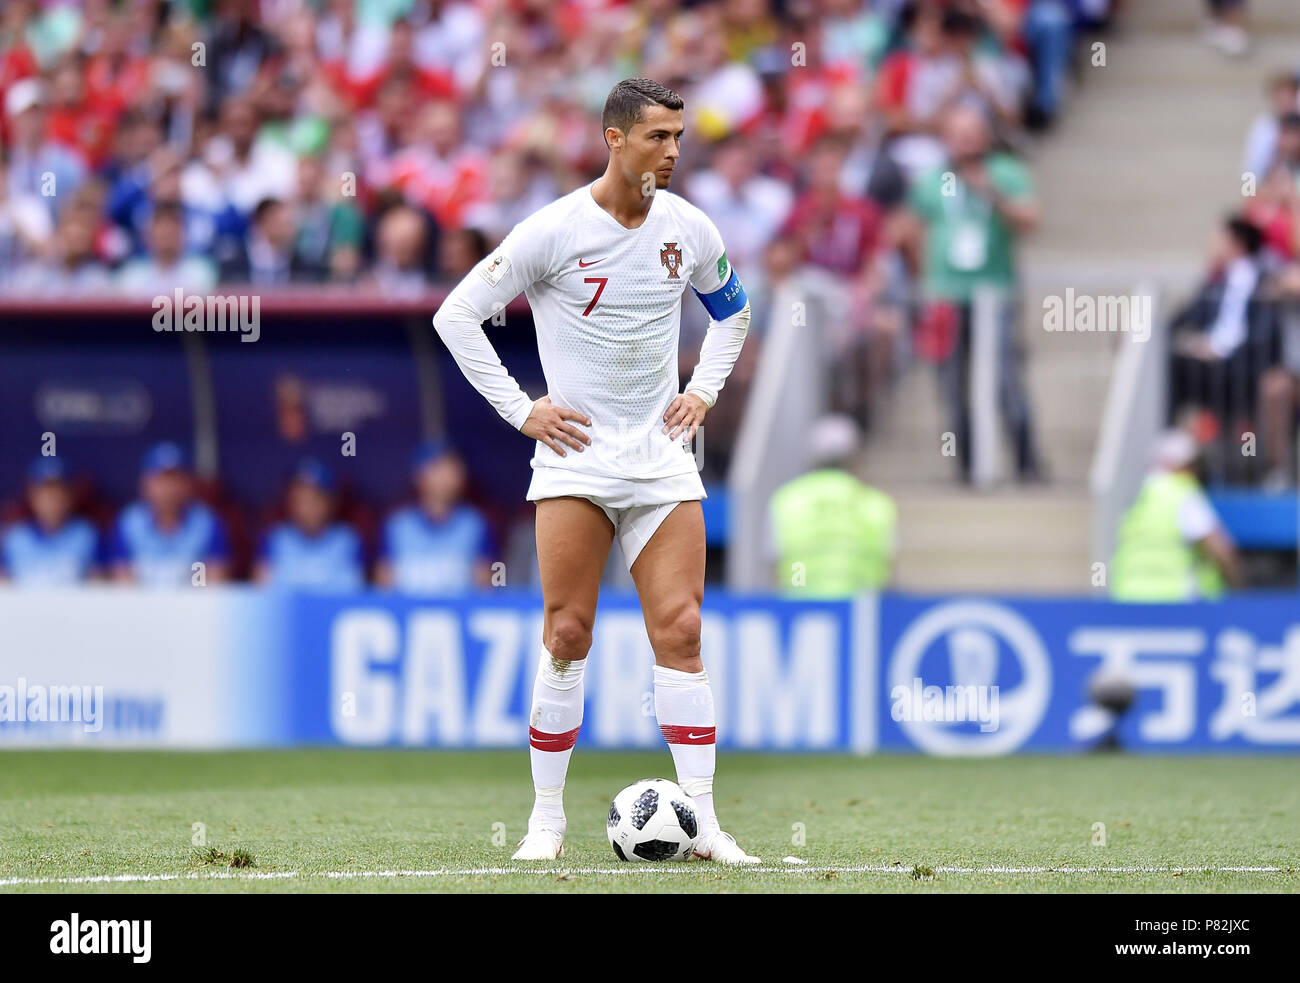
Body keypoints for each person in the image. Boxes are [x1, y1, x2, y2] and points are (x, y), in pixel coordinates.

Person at [432, 78, 756, 863]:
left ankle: (706, 824)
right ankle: (546, 819)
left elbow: (734, 310)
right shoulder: (553, 229)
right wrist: (522, 410)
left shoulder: (690, 229)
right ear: (614, 138)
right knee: (567, 633)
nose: (673, 152)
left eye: (679, 137)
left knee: (680, 631)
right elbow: (456, 315)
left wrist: (704, 390)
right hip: (575, 462)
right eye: (657, 137)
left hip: (661, 463)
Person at [899, 105, 1043, 482]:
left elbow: (1030, 221)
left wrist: (992, 194)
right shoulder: (933, 180)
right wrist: (925, 280)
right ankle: (964, 465)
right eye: (958, 132)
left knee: (1006, 378)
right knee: (950, 382)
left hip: (994, 293)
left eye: (973, 131)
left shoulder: (1006, 173)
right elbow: (910, 230)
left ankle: (1027, 462)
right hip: (947, 295)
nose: (966, 140)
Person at [768, 416, 897, 598]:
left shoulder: (786, 500)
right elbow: (889, 566)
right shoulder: (878, 504)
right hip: (863, 613)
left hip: (802, 612)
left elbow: (775, 568)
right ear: (854, 458)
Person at [1109, 430, 1243, 601]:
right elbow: (1221, 549)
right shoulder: (1183, 493)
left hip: (1127, 598)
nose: (1197, 471)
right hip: (1175, 603)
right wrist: (1240, 590)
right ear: (1180, 465)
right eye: (1193, 465)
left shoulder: (1139, 497)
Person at [375, 440, 495, 594]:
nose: (448, 475)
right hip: (409, 615)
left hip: (459, 615)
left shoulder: (475, 523)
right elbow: (383, 589)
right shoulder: (397, 525)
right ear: (419, 476)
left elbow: (485, 590)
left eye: (453, 467)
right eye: (438, 468)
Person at [109, 442, 231, 586]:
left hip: (193, 607)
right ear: (145, 484)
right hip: (141, 607)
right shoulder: (129, 522)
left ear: (188, 484)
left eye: (175, 479)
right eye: (160, 480)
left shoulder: (206, 523)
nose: (168, 489)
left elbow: (209, 584)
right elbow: (123, 585)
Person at [255, 460, 365, 591]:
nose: (307, 506)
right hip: (284, 611)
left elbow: (355, 593)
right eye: (300, 498)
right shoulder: (274, 537)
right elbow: (260, 593)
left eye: (314, 498)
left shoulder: (348, 540)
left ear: (331, 502)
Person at [0, 458, 99, 586]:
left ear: (69, 496)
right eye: (45, 493)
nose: (52, 500)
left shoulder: (85, 534)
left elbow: (99, 584)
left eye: (58, 492)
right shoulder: (15, 538)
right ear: (32, 496)